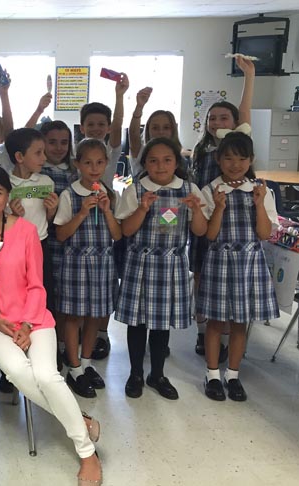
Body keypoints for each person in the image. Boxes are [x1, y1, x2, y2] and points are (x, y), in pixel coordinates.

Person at [0, 165, 102, 485]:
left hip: (34, 318)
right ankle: (81, 421)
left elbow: (37, 283)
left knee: (47, 375)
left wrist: (26, 325)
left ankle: (86, 452)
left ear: (8, 196)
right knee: (19, 372)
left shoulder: (26, 230)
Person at [114, 138, 208, 400]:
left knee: (161, 324)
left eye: (167, 160)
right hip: (140, 263)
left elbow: (200, 230)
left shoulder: (189, 189)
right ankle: (135, 373)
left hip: (171, 264)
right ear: (145, 163)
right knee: (137, 322)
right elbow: (126, 230)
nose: (160, 166)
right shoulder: (135, 188)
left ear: (177, 163)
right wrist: (142, 208)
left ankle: (157, 374)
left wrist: (196, 210)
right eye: (153, 160)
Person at [198, 132, 278, 402]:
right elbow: (209, 235)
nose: (235, 164)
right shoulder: (210, 190)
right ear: (218, 159)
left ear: (251, 160)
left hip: (249, 263)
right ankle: (212, 374)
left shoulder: (260, 190)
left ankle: (232, 375)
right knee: (215, 321)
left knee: (239, 322)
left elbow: (264, 234)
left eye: (242, 159)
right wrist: (219, 208)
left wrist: (259, 205)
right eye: (229, 158)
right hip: (220, 262)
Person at [189, 57, 255, 356]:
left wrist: (249, 77)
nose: (217, 122)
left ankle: (226, 337)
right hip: (204, 218)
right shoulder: (201, 149)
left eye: (224, 118)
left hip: (232, 224)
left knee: (229, 283)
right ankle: (204, 330)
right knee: (202, 276)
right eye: (212, 118)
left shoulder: (237, 146)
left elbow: (245, 113)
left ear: (235, 123)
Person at [54, 139, 121, 398]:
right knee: (74, 317)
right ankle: (74, 368)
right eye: (88, 163)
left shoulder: (109, 194)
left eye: (100, 163)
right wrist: (82, 213)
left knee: (95, 316)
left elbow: (117, 235)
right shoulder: (69, 194)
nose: (94, 168)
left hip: (103, 263)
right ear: (77, 164)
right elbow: (61, 234)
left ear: (106, 164)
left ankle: (87, 362)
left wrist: (106, 211)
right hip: (76, 264)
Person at [76, 72, 129, 359]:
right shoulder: (77, 153)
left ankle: (101, 334)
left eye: (101, 124)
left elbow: (119, 126)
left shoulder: (110, 151)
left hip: (108, 219)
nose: (96, 129)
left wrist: (120, 96)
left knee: (106, 283)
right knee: (83, 284)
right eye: (90, 124)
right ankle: (82, 333)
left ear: (107, 127)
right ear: (82, 126)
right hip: (82, 220)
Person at [38, 121, 79, 368]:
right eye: (52, 142)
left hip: (68, 243)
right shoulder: (36, 171)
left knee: (64, 297)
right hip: (43, 242)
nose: (58, 147)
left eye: (64, 142)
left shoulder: (75, 172)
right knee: (46, 295)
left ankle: (62, 345)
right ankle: (46, 345)